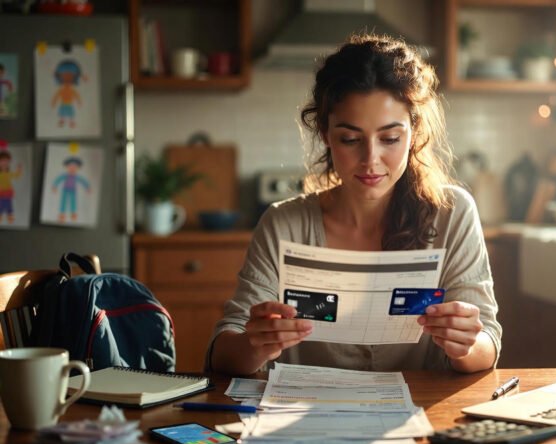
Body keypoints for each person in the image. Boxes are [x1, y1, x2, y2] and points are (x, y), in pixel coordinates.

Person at [208, 34, 501, 375]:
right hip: (303, 417)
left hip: (421, 415)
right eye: (350, 139)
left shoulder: (453, 213)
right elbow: (222, 354)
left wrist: (465, 342)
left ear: (415, 134)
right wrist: (255, 344)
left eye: (390, 139)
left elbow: (488, 344)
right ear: (325, 134)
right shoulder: (283, 225)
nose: (370, 160)